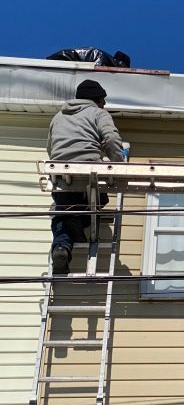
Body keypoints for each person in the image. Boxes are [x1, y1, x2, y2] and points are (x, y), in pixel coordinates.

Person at [48, 79, 125, 274]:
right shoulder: (98, 113)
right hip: (89, 175)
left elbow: (50, 147)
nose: (105, 104)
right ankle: (80, 221)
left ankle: (61, 247)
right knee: (100, 199)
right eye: (103, 100)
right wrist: (118, 164)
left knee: (61, 214)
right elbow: (112, 138)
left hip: (62, 177)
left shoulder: (58, 117)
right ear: (96, 100)